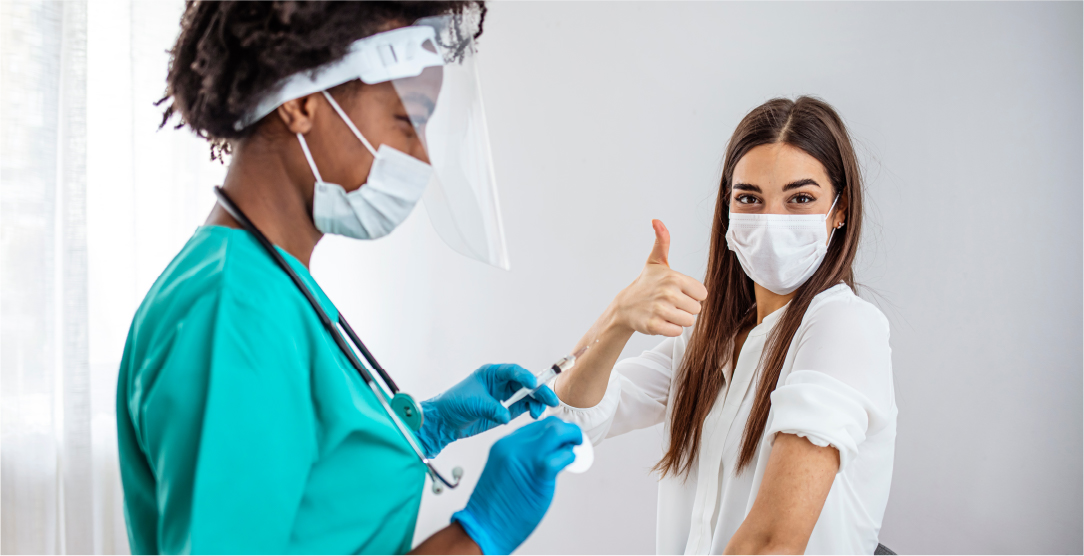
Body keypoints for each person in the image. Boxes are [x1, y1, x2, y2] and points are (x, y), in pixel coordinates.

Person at [115, 2, 582, 554]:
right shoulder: (232, 312)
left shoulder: (268, 278)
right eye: (408, 122)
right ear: (303, 104)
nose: (422, 159)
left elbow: (308, 486)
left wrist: (425, 426)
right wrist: (475, 536)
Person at [552, 97, 896, 554]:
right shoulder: (707, 336)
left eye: (801, 199)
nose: (772, 220)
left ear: (840, 210)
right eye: (750, 198)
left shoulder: (844, 327)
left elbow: (773, 542)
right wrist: (619, 317)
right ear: (727, 209)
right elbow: (571, 417)